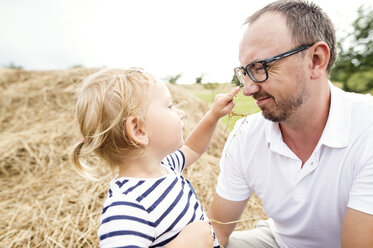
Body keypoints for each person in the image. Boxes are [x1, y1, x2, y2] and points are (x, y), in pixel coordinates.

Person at [207, 0, 373, 247]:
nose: (248, 89)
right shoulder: (246, 135)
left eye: (260, 67)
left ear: (315, 60)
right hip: (279, 240)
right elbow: (217, 230)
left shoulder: (367, 128)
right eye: (245, 72)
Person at [70, 67, 240, 247]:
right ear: (138, 129)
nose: (181, 113)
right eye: (169, 106)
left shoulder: (166, 166)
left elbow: (192, 148)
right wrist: (189, 242)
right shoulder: (127, 209)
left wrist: (213, 115)